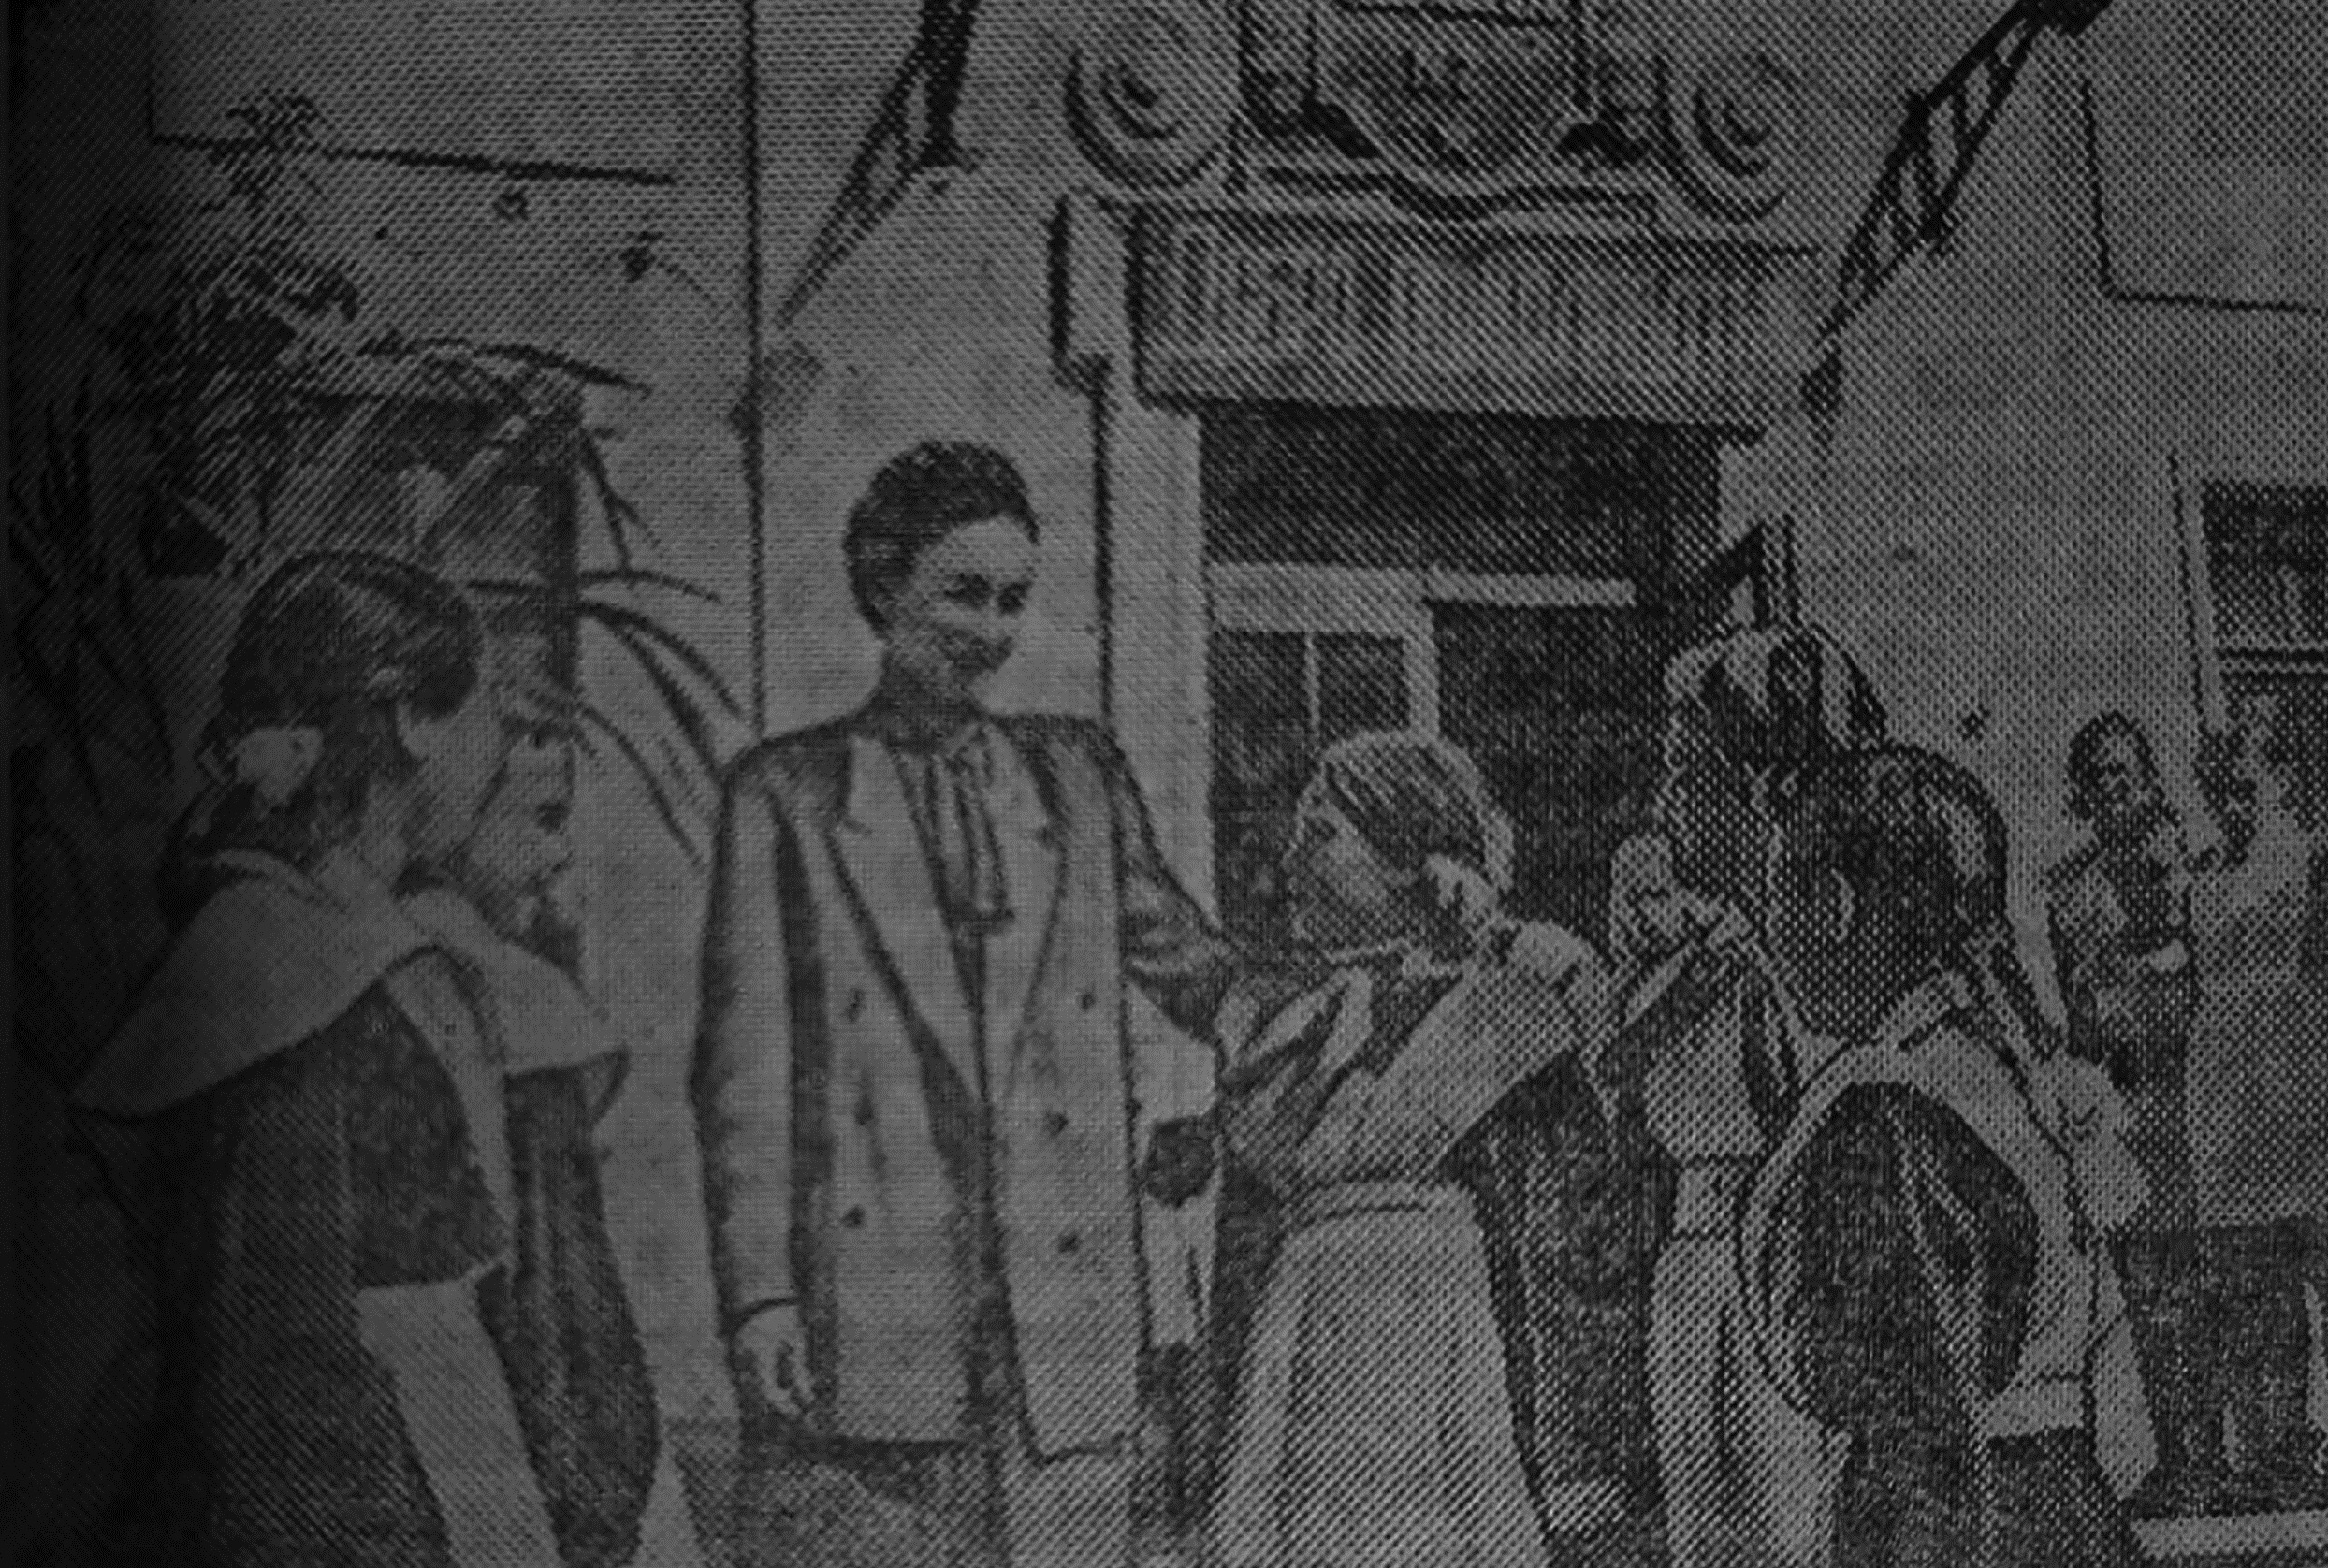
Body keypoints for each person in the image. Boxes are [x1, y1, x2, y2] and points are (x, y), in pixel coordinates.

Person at [691, 443, 1238, 1568]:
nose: (990, 630)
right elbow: (745, 1073)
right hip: (875, 1305)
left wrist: (1397, 983)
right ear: (882, 585)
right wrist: (760, 1298)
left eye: (1011, 600)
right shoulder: (787, 793)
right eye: (962, 593)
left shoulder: (1077, 777)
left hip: (1061, 1314)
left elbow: (1200, 970)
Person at [68, 551, 568, 1566]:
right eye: (487, 716)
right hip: (358, 1486)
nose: (497, 752)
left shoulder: (376, 944)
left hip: (441, 1447)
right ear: (415, 720)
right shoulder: (282, 970)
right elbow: (282, 1355)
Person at [1208, 732, 1620, 1568]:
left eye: (1322, 836)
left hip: (1431, 1334)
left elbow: (1572, 1253)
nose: (1290, 863)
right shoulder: (1296, 1032)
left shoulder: (1506, 1015)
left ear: (1408, 861)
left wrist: (1574, 1456)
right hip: (1304, 1341)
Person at [1741, 746, 2152, 1567]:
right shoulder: (2002, 1069)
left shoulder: (1878, 1105)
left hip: (1947, 1516)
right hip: (2060, 1501)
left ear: (1835, 904)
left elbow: (1863, 1372)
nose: (1769, 924)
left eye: (1779, 892)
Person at [400, 689, 709, 1566]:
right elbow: (567, 1302)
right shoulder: (510, 997)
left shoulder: (364, 953)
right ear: (453, 819)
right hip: (515, 1449)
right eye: (542, 819)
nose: (562, 851)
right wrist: (602, 1488)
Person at [1603, 623, 1879, 1568]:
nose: (1664, 800)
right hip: (1695, 1247)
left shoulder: (1820, 925)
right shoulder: (1672, 927)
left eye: (1690, 773)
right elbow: (1616, 1063)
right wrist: (1697, 961)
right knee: (1702, 1518)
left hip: (1798, 1248)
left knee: (1791, 1510)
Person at [2044, 713, 2204, 1513]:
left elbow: (2191, 978)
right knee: (2143, 1286)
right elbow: (2074, 1000)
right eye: (2098, 773)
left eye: (2126, 771)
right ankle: (2178, 1456)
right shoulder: (2069, 887)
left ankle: (2222, 1454)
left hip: (2186, 1098)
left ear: (2148, 780)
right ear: (2081, 790)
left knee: (2196, 1277)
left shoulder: (2178, 862)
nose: (2113, 786)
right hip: (2114, 1105)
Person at [2186, 702, 2328, 1512]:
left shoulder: (2311, 859)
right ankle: (2274, 1448)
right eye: (2221, 789)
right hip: (2224, 1088)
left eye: (2246, 786)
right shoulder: (2204, 869)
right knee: (2251, 1280)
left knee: (2315, 1261)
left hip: (2297, 1072)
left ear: (2282, 778)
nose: (2232, 803)